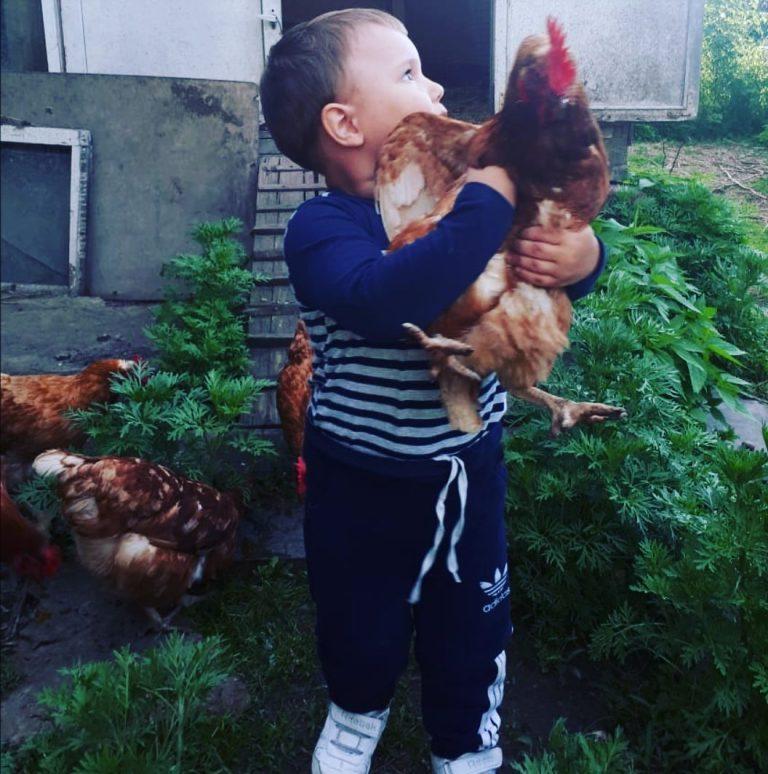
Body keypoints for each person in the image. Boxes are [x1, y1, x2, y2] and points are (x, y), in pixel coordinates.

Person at [260, 9, 607, 774]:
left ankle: (466, 741)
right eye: (409, 72)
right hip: (360, 483)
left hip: (465, 473)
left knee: (472, 623)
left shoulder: (462, 194)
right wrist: (490, 196)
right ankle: (357, 712)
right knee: (359, 621)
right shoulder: (323, 229)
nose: (437, 86)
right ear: (344, 124)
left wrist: (581, 259)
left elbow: (538, 265)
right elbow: (391, 298)